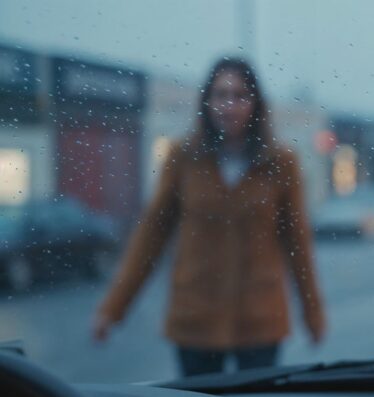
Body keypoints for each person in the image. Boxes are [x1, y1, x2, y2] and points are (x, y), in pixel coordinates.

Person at [93, 57, 325, 376]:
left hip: (260, 321)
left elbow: (298, 243)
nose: (228, 105)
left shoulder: (280, 164)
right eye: (220, 95)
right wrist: (113, 308)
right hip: (195, 319)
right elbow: (151, 236)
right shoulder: (183, 157)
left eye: (240, 96)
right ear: (206, 101)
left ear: (256, 104)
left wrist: (313, 313)